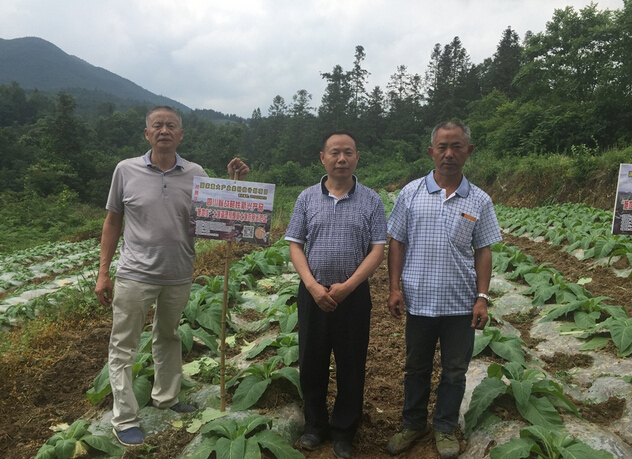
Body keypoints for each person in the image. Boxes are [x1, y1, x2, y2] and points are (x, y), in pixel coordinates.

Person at [94, 106, 249, 447]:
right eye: (157, 125)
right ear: (147, 134)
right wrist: (104, 273)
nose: (164, 130)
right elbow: (112, 222)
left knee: (168, 335)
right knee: (124, 346)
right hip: (135, 273)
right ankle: (125, 418)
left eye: (171, 126)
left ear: (180, 135)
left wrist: (234, 183)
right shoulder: (126, 170)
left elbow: (218, 215)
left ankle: (166, 397)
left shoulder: (196, 173)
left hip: (178, 272)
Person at [386, 121, 501, 459]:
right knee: (416, 367)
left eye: (456, 147)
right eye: (442, 147)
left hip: (460, 303)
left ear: (469, 151)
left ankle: (445, 427)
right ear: (431, 151)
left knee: (454, 370)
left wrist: (482, 298)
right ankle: (412, 423)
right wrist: (394, 287)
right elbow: (397, 243)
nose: (449, 154)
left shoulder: (480, 200)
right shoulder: (410, 193)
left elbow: (483, 251)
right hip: (419, 300)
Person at [285, 131, 387, 459]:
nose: (341, 159)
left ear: (357, 156)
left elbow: (377, 249)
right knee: (312, 361)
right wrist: (313, 286)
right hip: (313, 293)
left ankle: (344, 431)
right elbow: (295, 245)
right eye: (334, 153)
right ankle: (315, 426)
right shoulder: (306, 198)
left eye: (348, 153)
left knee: (351, 363)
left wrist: (349, 285)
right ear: (322, 157)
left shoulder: (371, 200)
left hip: (353, 295)